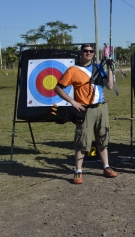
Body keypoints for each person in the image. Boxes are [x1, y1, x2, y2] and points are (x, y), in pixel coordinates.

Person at [54, 44, 118, 184]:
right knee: (82, 140)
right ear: (81, 53)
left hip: (102, 107)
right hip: (85, 109)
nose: (88, 53)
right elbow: (58, 88)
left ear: (94, 53)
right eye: (85, 51)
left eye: (91, 51)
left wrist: (109, 67)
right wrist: (73, 102)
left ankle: (106, 167)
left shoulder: (99, 68)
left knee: (103, 137)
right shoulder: (73, 70)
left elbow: (110, 86)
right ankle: (78, 171)